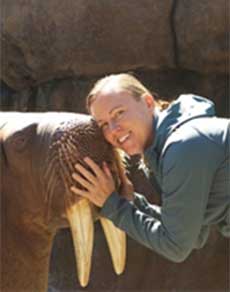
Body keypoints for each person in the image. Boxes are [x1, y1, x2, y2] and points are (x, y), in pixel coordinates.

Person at [70, 73, 230, 262]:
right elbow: (194, 235)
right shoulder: (165, 149)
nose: (113, 129)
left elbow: (176, 246)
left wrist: (112, 204)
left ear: (147, 102)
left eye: (119, 113)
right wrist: (131, 201)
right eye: (103, 124)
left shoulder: (184, 146)